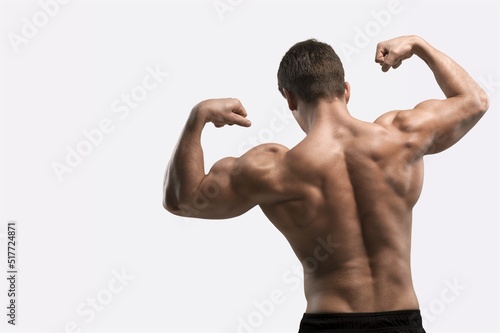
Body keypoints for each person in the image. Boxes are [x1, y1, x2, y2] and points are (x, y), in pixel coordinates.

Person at [163, 35, 489, 332]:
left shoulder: (272, 167)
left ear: (290, 98)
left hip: (328, 324)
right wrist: (419, 47)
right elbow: (475, 100)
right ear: (346, 90)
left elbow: (183, 199)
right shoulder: (401, 136)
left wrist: (198, 117)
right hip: (402, 321)